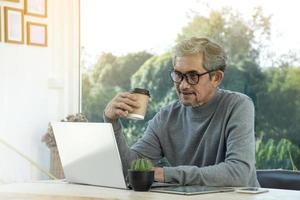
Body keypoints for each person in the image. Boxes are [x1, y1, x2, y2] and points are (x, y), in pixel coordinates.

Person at [104, 37, 260, 187]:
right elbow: (132, 170)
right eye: (178, 75)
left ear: (216, 78)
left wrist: (165, 174)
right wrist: (112, 123)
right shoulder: (166, 117)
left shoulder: (238, 105)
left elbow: (239, 173)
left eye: (193, 76)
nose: (183, 85)